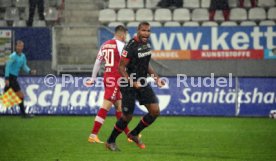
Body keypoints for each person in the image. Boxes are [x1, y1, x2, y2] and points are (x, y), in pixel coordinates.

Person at [105, 21, 166, 151]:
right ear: (138, 31)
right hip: (128, 84)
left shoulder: (146, 45)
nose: (146, 33)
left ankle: (134, 134)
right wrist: (132, 82)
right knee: (127, 116)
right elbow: (121, 68)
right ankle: (110, 141)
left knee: (155, 111)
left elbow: (146, 64)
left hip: (142, 82)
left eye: (148, 31)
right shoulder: (130, 46)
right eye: (143, 30)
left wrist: (156, 78)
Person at [87, 25, 134, 144]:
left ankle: (129, 135)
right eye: (126, 35)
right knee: (105, 107)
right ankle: (93, 135)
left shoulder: (105, 45)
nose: (126, 37)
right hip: (115, 79)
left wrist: (93, 78)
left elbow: (97, 62)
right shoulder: (122, 45)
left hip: (108, 77)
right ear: (122, 34)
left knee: (119, 108)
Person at [4, 40, 36, 118]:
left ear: (22, 47)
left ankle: (23, 114)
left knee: (6, 97)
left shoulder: (23, 56)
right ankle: (23, 114)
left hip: (14, 78)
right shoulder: (12, 56)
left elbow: (24, 66)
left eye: (21, 46)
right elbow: (7, 67)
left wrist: (30, 71)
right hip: (11, 78)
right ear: (16, 47)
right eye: (18, 46)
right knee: (20, 95)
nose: (20, 48)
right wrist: (7, 78)